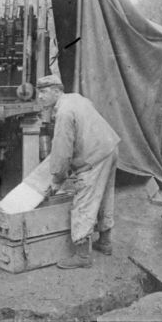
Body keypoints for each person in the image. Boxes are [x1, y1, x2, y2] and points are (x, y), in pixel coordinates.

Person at [36, 74, 121, 269]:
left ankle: (82, 256)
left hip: (94, 156)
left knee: (84, 200)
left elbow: (62, 151)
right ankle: (105, 242)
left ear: (57, 91)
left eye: (44, 91)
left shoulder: (64, 113)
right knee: (105, 195)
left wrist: (57, 179)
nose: (40, 97)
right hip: (109, 147)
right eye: (39, 92)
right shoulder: (76, 98)